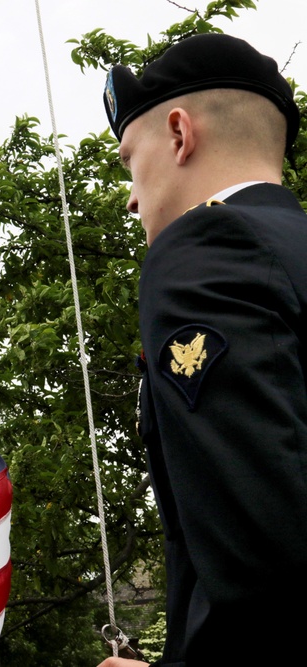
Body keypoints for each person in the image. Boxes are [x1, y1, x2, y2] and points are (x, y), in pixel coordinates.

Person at [98, 33, 307, 666]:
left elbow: (264, 556)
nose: (131, 195)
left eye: (131, 160)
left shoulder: (205, 251)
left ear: (180, 133)